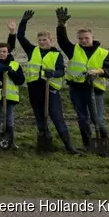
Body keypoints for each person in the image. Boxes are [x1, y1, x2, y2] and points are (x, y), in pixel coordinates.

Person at [55, 7, 109, 153]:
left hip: (95, 90)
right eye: (81, 38)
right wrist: (61, 25)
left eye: (86, 38)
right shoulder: (73, 50)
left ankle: (105, 144)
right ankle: (87, 144)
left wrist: (97, 71)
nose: (83, 41)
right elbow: (62, 40)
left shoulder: (103, 53)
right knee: (82, 118)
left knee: (97, 119)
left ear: (92, 37)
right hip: (77, 89)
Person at [18, 10, 80, 154]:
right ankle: (44, 143)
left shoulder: (56, 54)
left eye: (44, 40)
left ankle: (69, 146)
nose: (42, 42)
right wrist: (24, 22)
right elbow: (20, 37)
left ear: (50, 40)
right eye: (39, 40)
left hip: (50, 89)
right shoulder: (32, 50)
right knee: (40, 117)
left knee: (57, 117)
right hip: (34, 88)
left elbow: (61, 71)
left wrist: (52, 74)